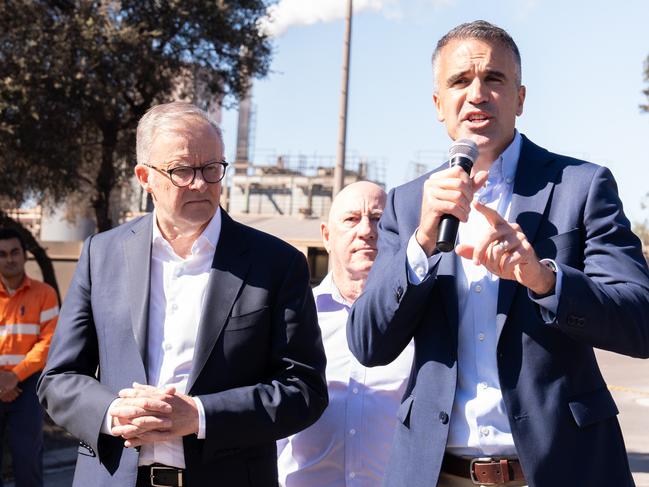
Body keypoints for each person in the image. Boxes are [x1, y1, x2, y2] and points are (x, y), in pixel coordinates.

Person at [346, 20, 649, 487]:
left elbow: (639, 323)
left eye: (494, 79)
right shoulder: (408, 205)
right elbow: (368, 343)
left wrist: (546, 280)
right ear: (438, 105)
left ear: (520, 98)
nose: (477, 93)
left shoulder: (582, 187)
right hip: (436, 474)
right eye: (460, 81)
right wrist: (422, 243)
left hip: (563, 469)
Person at [37, 102, 328, 487]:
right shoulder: (101, 255)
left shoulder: (276, 264)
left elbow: (303, 390)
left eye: (212, 168)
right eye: (182, 170)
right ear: (145, 177)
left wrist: (200, 415)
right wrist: (112, 411)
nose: (201, 183)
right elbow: (59, 378)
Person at [277, 181, 414, 486]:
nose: (367, 230)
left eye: (378, 219)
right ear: (326, 236)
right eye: (351, 219)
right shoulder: (290, 319)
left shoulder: (419, 324)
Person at [0, 228, 59, 487]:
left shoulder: (45, 294)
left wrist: (14, 376)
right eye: (1, 254)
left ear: (25, 256)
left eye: (14, 252)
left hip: (26, 389)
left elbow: (49, 343)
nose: (9, 259)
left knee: (28, 463)